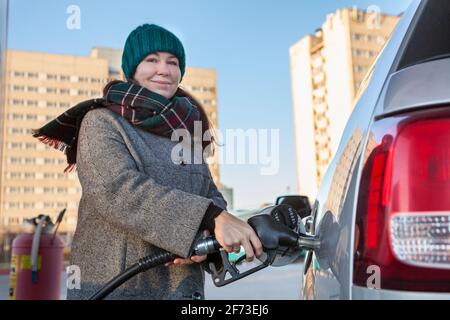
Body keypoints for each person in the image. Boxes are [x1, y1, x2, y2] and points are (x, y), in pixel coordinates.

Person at [32, 24, 262, 300]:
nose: (164, 69)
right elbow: (118, 191)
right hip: (119, 286)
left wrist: (205, 241)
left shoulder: (185, 133)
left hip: (183, 290)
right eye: (151, 60)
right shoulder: (101, 121)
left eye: (173, 62)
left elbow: (209, 194)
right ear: (132, 70)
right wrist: (208, 218)